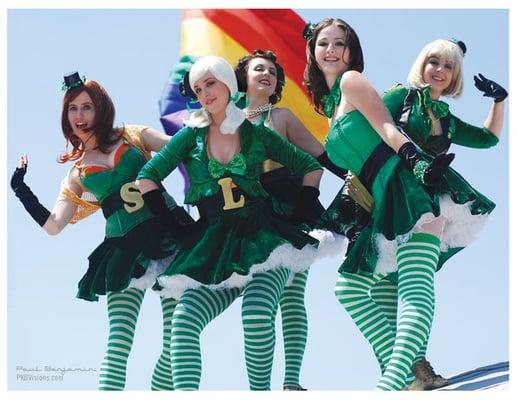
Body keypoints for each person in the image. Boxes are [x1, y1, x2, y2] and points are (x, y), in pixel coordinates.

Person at [302, 18, 481, 390]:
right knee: (349, 289)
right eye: (324, 44)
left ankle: (390, 384)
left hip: (406, 187)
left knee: (415, 287)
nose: (331, 50)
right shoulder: (331, 105)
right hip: (377, 200)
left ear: (352, 51)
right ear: (313, 52)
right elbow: (340, 160)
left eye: (340, 43)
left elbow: (387, 127)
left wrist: (415, 159)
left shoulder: (352, 82)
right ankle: (406, 374)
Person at [136, 55, 326, 390]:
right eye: (198, 88)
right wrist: (177, 226)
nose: (205, 92)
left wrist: (300, 211)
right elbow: (147, 177)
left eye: (211, 82)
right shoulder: (189, 136)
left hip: (263, 240)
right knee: (183, 323)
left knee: (256, 313)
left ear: (228, 83)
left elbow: (311, 165)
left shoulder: (255, 131)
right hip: (213, 246)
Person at [10, 73, 193, 390]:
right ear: (66, 117)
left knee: (175, 336)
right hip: (122, 251)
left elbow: (180, 147)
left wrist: (195, 108)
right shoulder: (76, 174)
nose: (80, 116)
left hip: (168, 236)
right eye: (72, 109)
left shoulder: (132, 136)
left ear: (101, 109)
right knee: (118, 343)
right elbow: (54, 225)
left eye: (87, 107)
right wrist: (20, 190)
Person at [380, 38, 506, 390]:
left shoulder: (446, 117)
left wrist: (500, 100)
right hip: (391, 194)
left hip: (429, 201)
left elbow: (488, 138)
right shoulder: (399, 96)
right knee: (376, 288)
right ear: (422, 64)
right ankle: (412, 370)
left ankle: (412, 373)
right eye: (434, 61)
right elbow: (367, 125)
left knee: (414, 283)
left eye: (448, 66)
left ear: (454, 77)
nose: (439, 70)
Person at [234, 49, 348, 390]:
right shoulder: (224, 120)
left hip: (288, 211)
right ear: (244, 78)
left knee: (293, 296)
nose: (267, 74)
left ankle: (291, 382)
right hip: (247, 214)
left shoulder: (280, 116)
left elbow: (321, 156)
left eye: (273, 71)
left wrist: (361, 172)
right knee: (263, 298)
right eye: (259, 69)